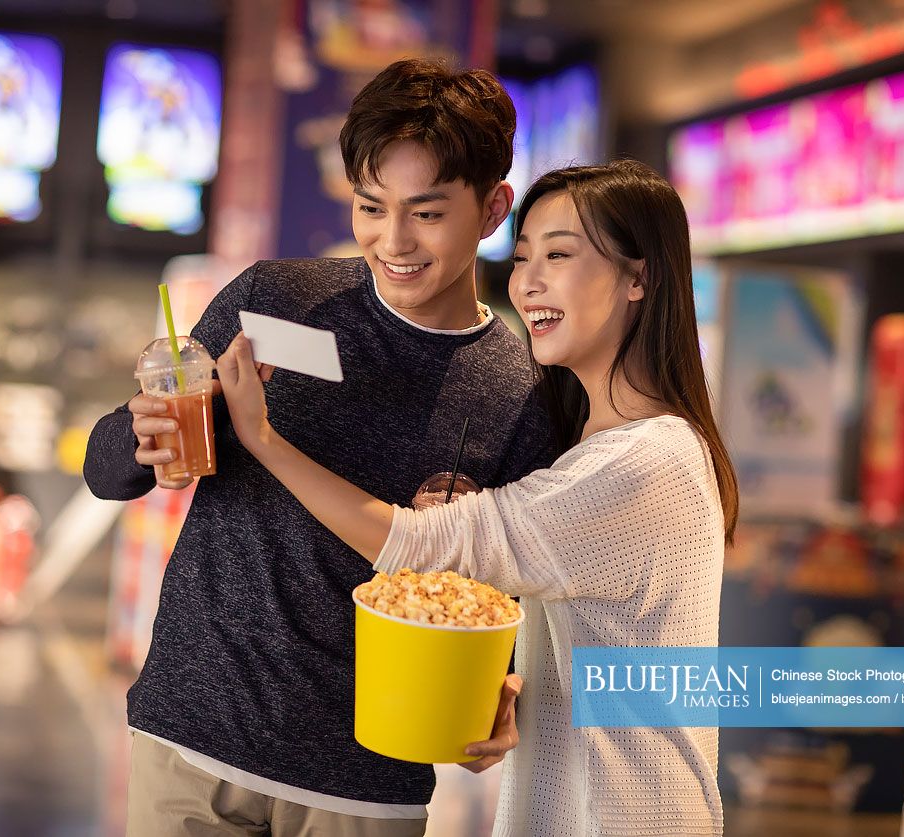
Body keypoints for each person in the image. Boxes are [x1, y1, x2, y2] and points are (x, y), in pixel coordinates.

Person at [83, 58, 552, 836]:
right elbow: (108, 470)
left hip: (364, 777)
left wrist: (502, 686)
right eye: (371, 206)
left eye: (426, 214)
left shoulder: (517, 389)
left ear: (494, 207)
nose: (391, 240)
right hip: (192, 734)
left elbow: (503, 584)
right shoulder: (274, 301)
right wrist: (142, 434)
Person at [216, 159, 739, 837]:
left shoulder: (645, 460)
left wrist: (261, 437)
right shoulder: (599, 445)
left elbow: (419, 544)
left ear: (640, 277)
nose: (528, 282)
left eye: (559, 255)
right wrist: (517, 688)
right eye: (522, 257)